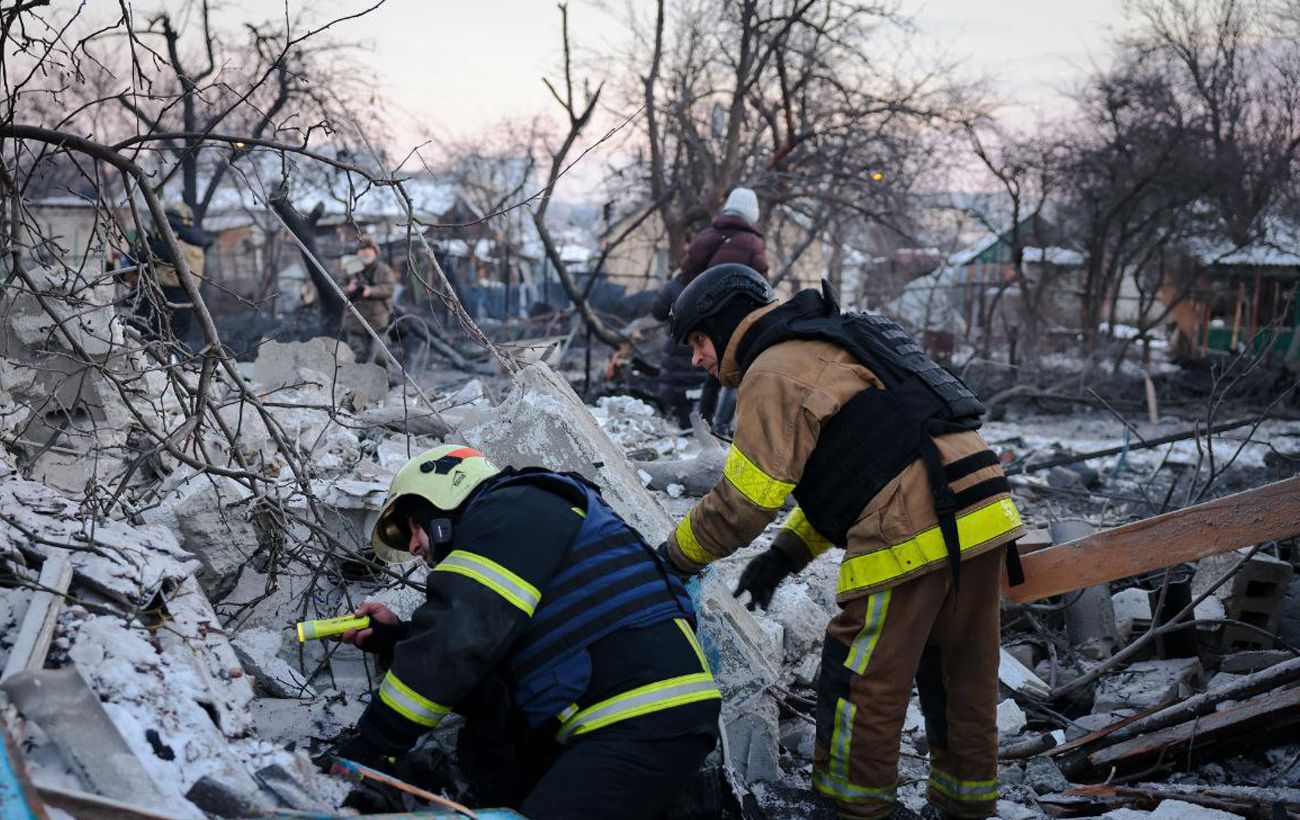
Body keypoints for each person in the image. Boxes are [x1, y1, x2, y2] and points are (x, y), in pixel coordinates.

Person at [656, 264, 1026, 820]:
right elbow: (865, 468)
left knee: (862, 679)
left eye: (699, 340)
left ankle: (850, 810)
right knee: (961, 678)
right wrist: (786, 554)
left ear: (727, 322)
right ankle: (965, 809)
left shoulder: (773, 370)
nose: (698, 359)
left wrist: (672, 558)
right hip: (982, 503)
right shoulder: (827, 342)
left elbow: (745, 500)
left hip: (920, 522)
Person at [333, 444, 721, 819]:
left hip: (639, 715)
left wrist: (369, 748)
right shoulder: (523, 524)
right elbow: (483, 672)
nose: (415, 546)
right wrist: (393, 638)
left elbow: (455, 644)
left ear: (441, 503)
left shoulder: (510, 509)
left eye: (413, 527)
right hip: (640, 716)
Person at [658, 187, 769, 431]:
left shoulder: (705, 236)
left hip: (695, 326)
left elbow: (686, 275)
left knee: (708, 381)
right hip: (727, 329)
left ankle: (704, 425)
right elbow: (761, 288)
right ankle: (720, 428)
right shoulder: (752, 243)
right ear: (753, 213)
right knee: (730, 375)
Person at [128, 202, 212, 348]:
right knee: (176, 341)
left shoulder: (174, 240)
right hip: (187, 297)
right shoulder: (193, 239)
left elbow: (143, 257)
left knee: (158, 340)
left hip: (168, 296)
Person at [340, 236, 400, 363]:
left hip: (378, 320)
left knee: (381, 356)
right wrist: (349, 289)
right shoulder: (352, 267)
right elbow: (337, 288)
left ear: (375, 251)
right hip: (355, 320)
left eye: (369, 248)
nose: (366, 252)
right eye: (362, 249)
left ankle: (383, 381)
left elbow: (390, 289)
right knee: (356, 357)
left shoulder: (383, 269)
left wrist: (371, 291)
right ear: (357, 252)